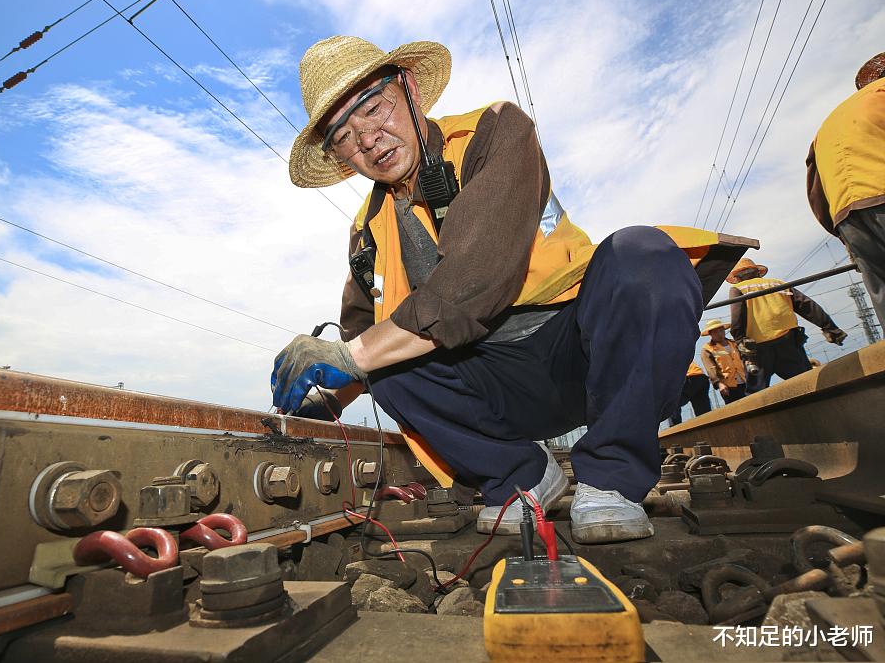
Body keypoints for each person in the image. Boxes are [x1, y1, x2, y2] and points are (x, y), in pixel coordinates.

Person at [271, 36, 749, 544]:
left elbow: (477, 280)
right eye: (344, 135)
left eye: (374, 108)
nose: (368, 139)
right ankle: (521, 476)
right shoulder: (367, 229)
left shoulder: (493, 130)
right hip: (493, 386)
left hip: (582, 351)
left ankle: (612, 479)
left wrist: (353, 356)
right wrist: (319, 402)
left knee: (643, 253)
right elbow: (359, 341)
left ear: (409, 88)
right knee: (383, 368)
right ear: (339, 156)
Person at [806, 51, 885, 325]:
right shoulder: (881, 94)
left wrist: (842, 231)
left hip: (848, 220)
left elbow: (816, 194)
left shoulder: (826, 126)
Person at [727, 258, 846, 394]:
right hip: (788, 341)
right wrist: (830, 327)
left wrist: (739, 339)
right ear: (757, 272)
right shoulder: (778, 283)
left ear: (737, 277)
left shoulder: (737, 289)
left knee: (757, 392)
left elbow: (737, 317)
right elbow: (806, 305)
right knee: (807, 382)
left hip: (757, 348)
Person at [699, 319, 746, 404]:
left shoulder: (734, 343)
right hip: (729, 386)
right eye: (715, 332)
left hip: (745, 381)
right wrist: (719, 384)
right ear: (710, 334)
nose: (719, 334)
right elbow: (710, 369)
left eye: (721, 330)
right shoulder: (707, 349)